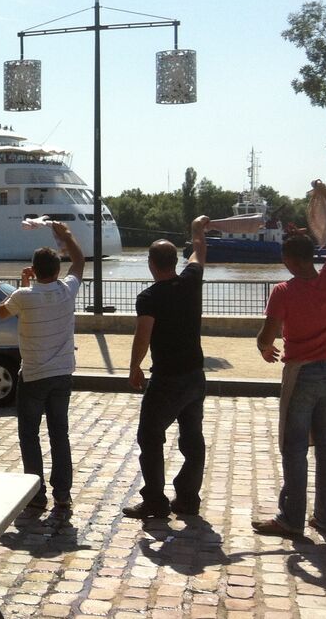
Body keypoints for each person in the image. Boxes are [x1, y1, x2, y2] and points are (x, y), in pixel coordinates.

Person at [252, 180, 326, 537]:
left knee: (294, 448)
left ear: (288, 260)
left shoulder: (283, 292)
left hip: (302, 374)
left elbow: (268, 337)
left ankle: (291, 519)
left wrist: (263, 347)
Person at [121, 215, 211, 519]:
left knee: (149, 435)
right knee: (192, 439)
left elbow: (142, 336)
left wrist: (134, 367)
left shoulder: (149, 297)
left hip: (168, 379)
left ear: (150, 263)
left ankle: (155, 501)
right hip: (195, 376)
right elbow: (199, 253)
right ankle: (187, 498)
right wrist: (197, 229)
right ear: (175, 260)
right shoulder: (190, 281)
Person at [0, 222, 84, 510]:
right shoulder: (67, 291)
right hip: (62, 375)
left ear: (33, 270)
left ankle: (36, 494)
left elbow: (1, 312)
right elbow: (80, 261)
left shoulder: (24, 296)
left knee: (29, 435)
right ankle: (63, 493)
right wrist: (67, 235)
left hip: (33, 376)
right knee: (60, 434)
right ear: (57, 270)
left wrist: (23, 284)